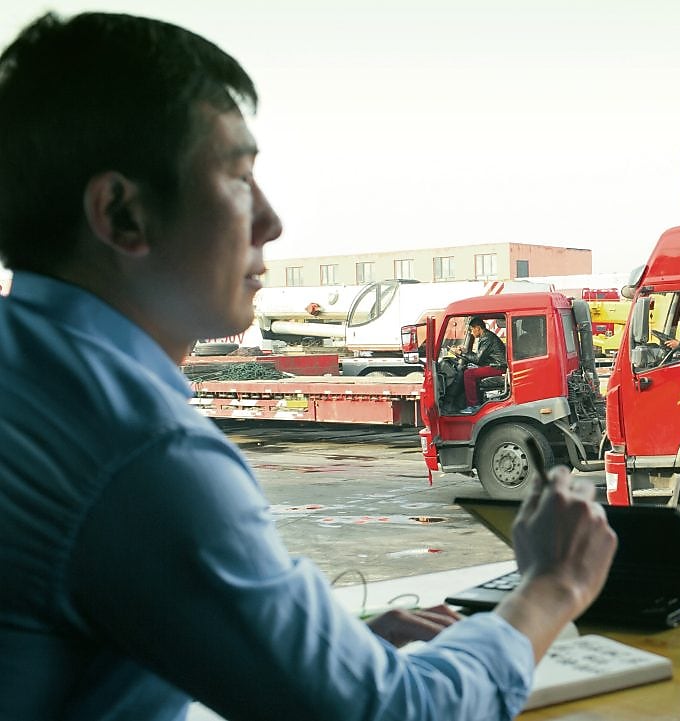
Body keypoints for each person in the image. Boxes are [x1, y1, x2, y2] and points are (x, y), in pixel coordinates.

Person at [0, 12, 616, 721]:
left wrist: (327, 650)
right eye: (239, 178)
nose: (271, 221)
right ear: (121, 214)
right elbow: (396, 713)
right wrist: (550, 588)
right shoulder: (145, 455)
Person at [451, 316, 507, 412]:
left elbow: (478, 359)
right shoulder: (487, 336)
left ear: (477, 328)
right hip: (495, 365)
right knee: (470, 369)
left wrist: (461, 353)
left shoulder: (486, 338)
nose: (471, 332)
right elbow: (480, 356)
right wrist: (465, 352)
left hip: (498, 367)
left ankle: (473, 406)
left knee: (469, 374)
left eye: (472, 329)